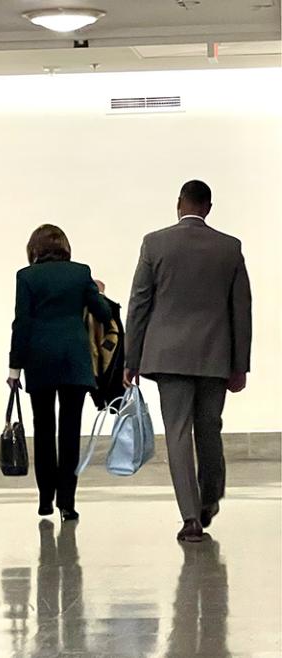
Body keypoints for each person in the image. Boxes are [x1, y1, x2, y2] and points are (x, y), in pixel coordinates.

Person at [124, 181, 252, 542]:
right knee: (210, 427)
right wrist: (240, 363)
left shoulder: (154, 243)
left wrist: (131, 359)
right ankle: (211, 496)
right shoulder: (230, 248)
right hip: (215, 355)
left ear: (178, 204)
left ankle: (190, 518)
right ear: (209, 207)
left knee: (178, 433)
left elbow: (139, 304)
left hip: (168, 356)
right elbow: (241, 309)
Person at [8, 224, 111, 522]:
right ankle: (67, 501)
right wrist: (98, 292)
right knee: (69, 431)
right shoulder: (81, 273)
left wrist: (14, 367)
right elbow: (102, 314)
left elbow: (22, 324)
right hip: (74, 359)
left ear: (34, 249)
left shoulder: (26, 277)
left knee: (43, 429)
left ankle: (44, 499)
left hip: (39, 360)